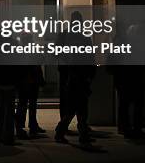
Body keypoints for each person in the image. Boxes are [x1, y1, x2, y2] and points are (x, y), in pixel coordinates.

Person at [54, 11, 96, 145]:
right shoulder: (84, 38)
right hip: (77, 76)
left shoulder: (69, 36)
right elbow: (90, 59)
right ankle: (78, 133)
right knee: (78, 107)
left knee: (73, 107)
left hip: (72, 75)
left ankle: (67, 131)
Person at [0, 34, 20, 145]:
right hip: (10, 80)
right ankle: (9, 135)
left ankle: (0, 135)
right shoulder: (13, 43)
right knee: (10, 109)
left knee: (0, 109)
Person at [15, 64, 46, 139]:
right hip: (29, 77)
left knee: (24, 103)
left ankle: (23, 126)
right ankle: (30, 126)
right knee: (28, 103)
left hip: (26, 77)